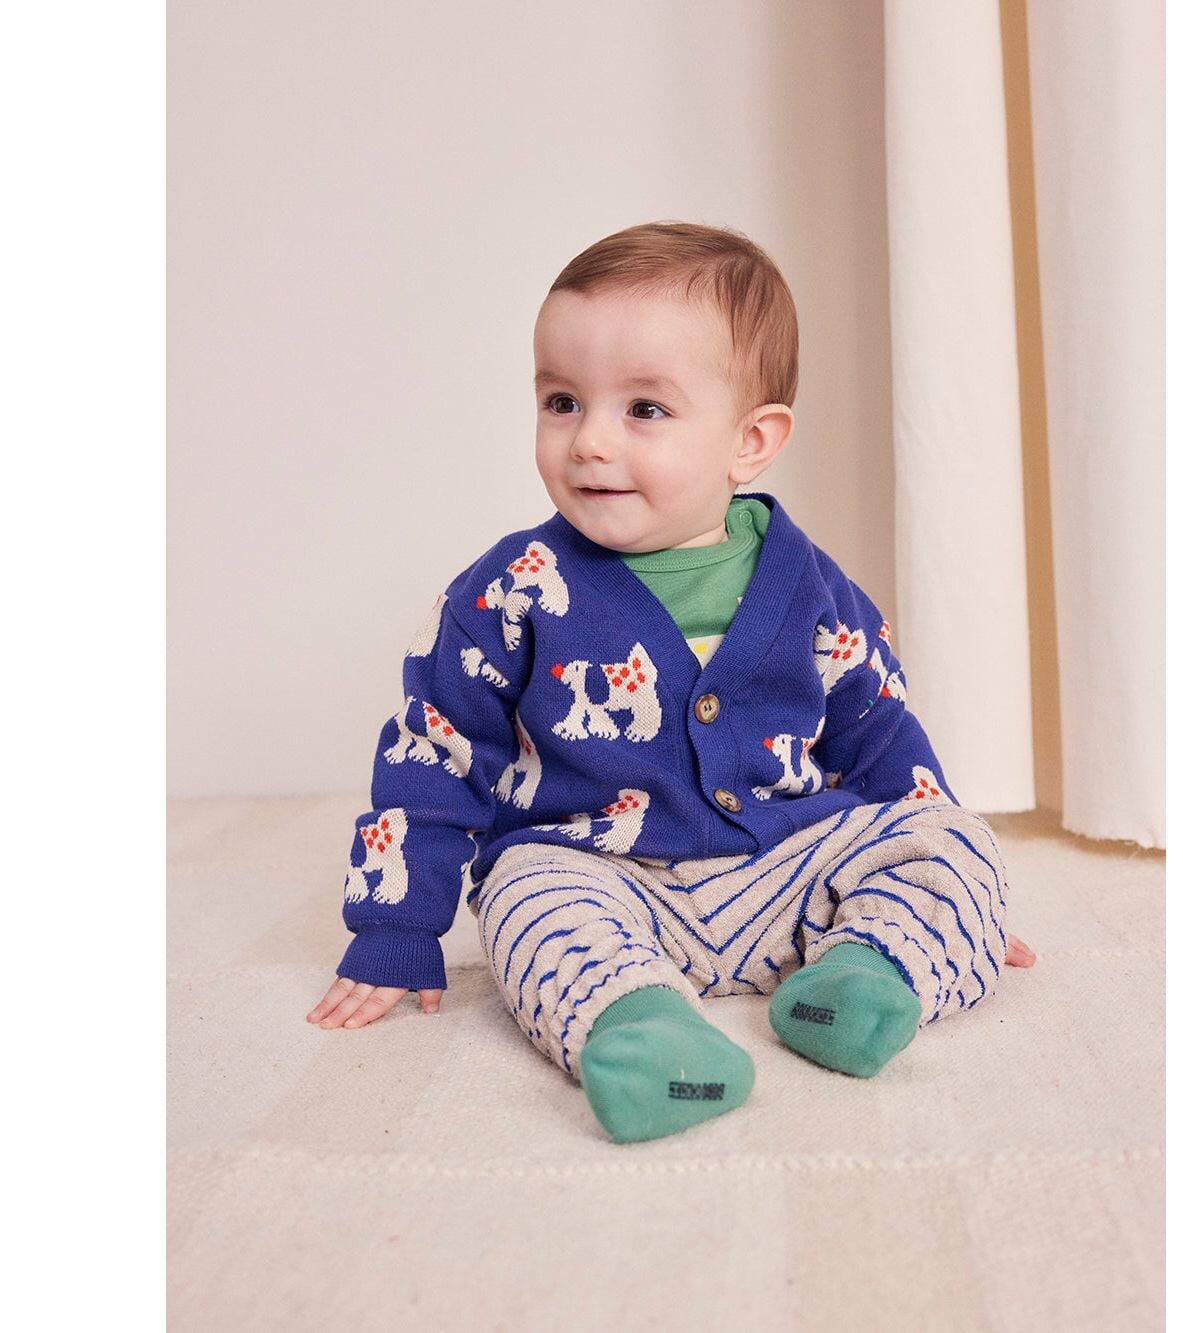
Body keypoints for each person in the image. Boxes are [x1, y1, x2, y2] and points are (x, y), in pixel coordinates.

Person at [306, 220, 1035, 1143]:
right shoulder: (513, 590)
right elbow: (434, 752)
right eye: (562, 401)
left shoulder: (811, 589)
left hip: (790, 873)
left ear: (750, 441)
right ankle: (643, 1029)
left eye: (643, 409)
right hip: (607, 882)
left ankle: (868, 975)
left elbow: (880, 734)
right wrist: (396, 928)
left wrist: (951, 897)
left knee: (951, 840)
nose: (588, 441)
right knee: (524, 893)